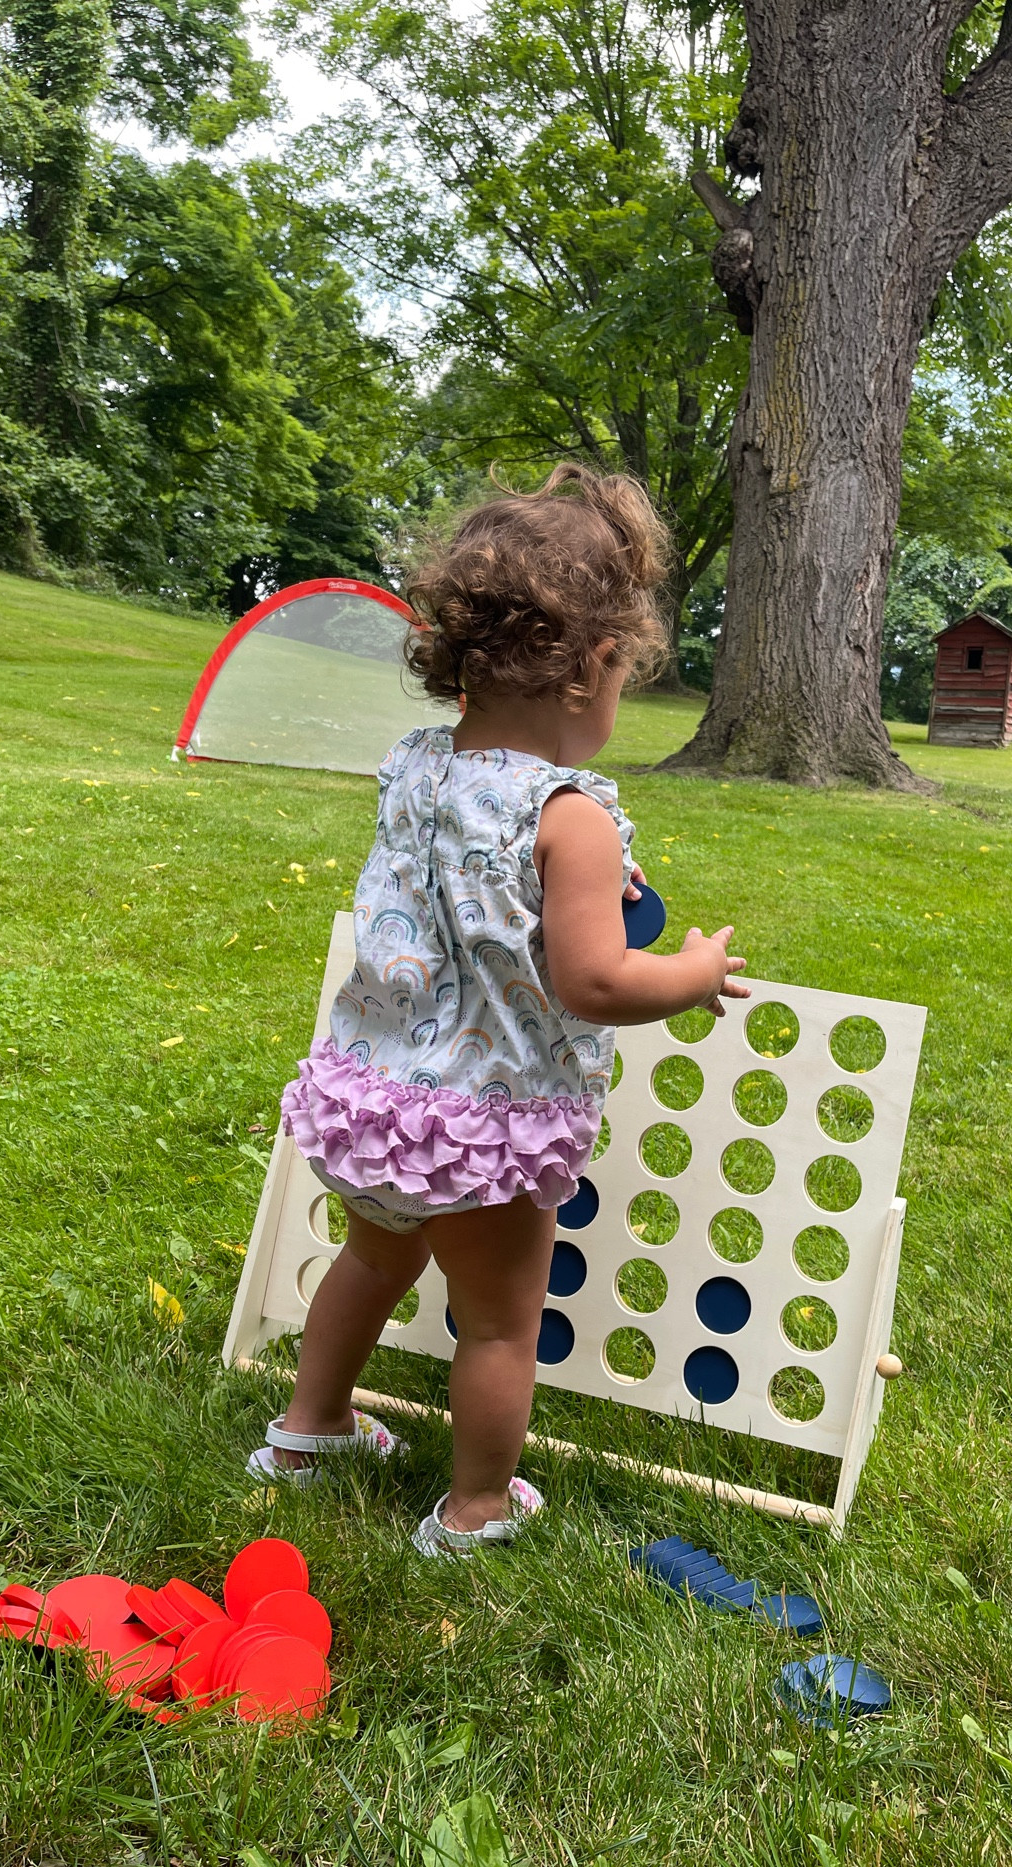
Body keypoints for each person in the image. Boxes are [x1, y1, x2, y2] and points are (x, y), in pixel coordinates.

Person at [254, 463, 748, 1555]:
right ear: (596, 666)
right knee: (497, 1323)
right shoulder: (573, 817)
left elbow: (467, 894)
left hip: (374, 1101)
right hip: (486, 1122)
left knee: (372, 1262)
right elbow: (596, 982)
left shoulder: (414, 769)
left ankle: (307, 1429)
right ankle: (476, 1507)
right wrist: (695, 971)